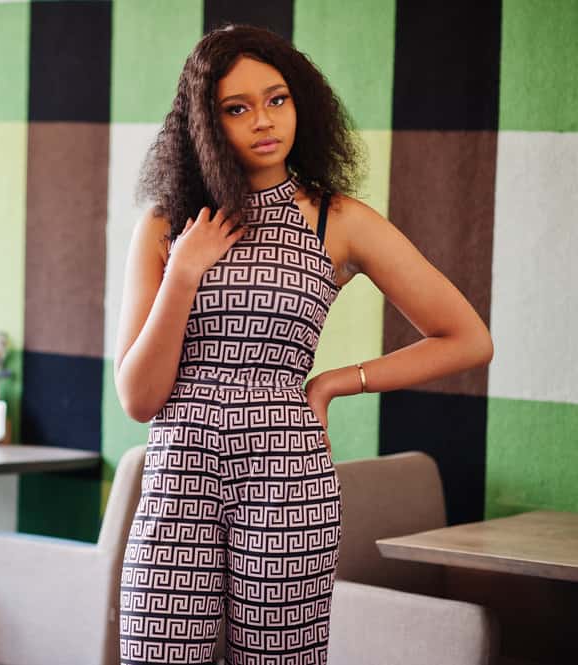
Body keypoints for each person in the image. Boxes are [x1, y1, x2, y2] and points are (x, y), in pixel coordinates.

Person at [113, 23, 493, 665]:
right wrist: (183, 271)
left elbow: (467, 338)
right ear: (206, 125)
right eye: (237, 108)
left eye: (277, 98)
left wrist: (335, 382)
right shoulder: (166, 226)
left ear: (301, 104)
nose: (264, 120)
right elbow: (140, 399)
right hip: (177, 480)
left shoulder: (335, 218)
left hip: (288, 481)